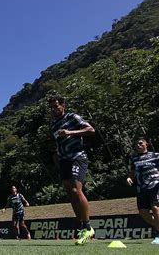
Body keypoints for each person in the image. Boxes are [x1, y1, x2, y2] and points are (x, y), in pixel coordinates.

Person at [48, 96, 96, 245]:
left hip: (77, 157)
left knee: (76, 189)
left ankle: (88, 226)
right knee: (70, 193)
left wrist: (70, 132)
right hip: (64, 161)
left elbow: (91, 129)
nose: (54, 109)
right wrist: (57, 160)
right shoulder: (53, 126)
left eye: (56, 106)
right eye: (52, 107)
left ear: (63, 105)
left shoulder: (72, 117)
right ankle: (82, 226)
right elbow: (56, 146)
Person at [126, 136, 159, 245]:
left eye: (141, 143)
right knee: (143, 213)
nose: (138, 145)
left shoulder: (155, 155)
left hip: (155, 186)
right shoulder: (133, 158)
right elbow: (132, 171)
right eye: (137, 144)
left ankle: (158, 234)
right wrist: (129, 178)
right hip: (141, 188)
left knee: (156, 209)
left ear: (147, 144)